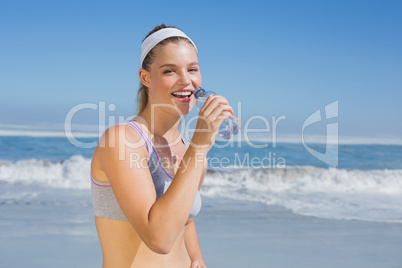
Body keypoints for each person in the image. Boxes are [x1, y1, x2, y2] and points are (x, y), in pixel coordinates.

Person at [90, 24, 234, 267]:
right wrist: (199, 147)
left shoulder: (191, 150)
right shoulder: (122, 140)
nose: (186, 80)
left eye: (192, 69)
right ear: (146, 78)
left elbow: (184, 220)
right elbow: (158, 238)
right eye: (170, 71)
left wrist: (197, 258)